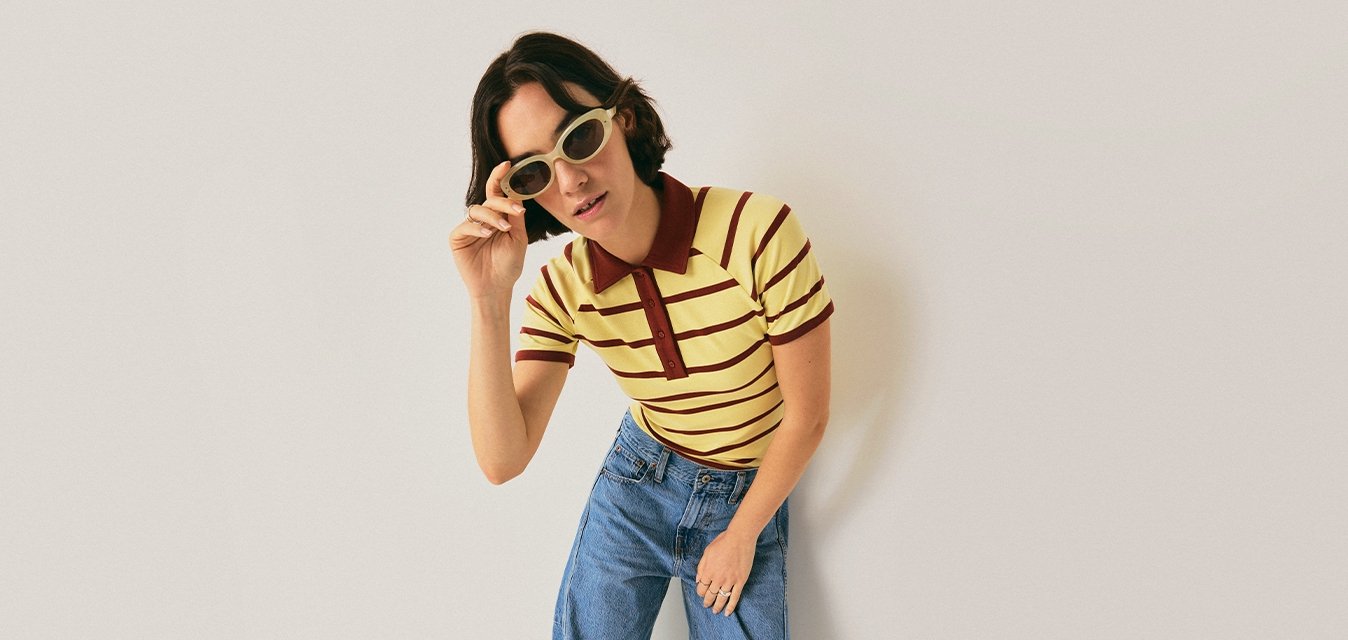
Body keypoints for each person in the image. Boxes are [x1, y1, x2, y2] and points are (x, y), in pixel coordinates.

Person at [450, 31, 833, 640]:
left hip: (747, 492)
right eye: (534, 172)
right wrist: (488, 297)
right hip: (638, 482)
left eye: (579, 137)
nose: (570, 181)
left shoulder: (757, 232)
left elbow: (807, 416)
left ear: (623, 118)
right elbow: (502, 461)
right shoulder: (564, 288)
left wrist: (741, 534)